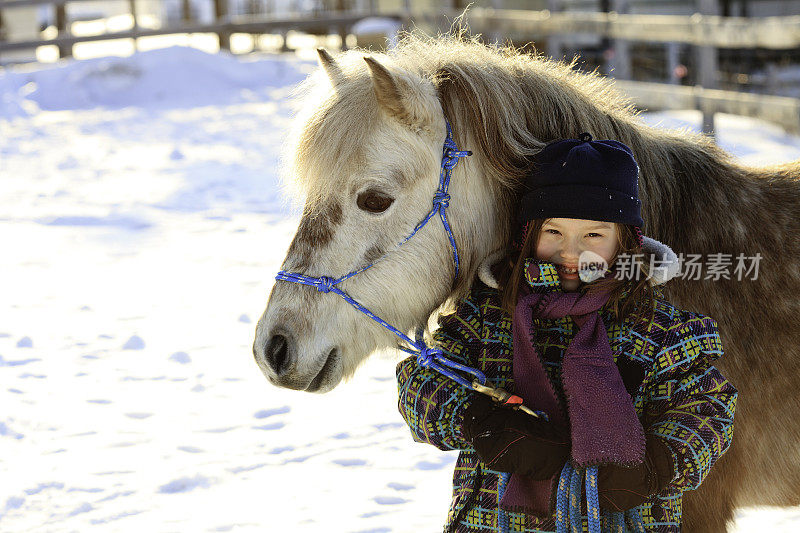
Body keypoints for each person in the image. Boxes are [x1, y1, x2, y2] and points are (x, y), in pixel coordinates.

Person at [395, 133, 737, 532]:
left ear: (625, 240)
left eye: (593, 235)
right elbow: (420, 382)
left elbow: (709, 408)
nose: (571, 253)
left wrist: (658, 464)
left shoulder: (660, 330)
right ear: (528, 235)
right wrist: (478, 420)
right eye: (553, 232)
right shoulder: (486, 318)